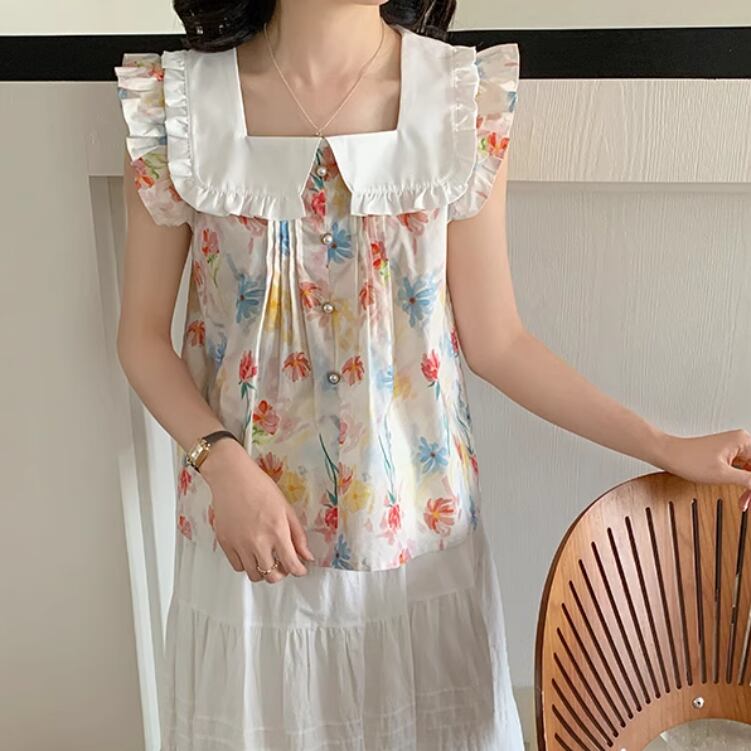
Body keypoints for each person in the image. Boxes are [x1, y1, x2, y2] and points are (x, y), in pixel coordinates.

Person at [114, 1, 751, 749]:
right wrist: (222, 465)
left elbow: (499, 341)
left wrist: (664, 445)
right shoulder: (180, 109)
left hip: (419, 550)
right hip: (251, 554)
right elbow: (142, 339)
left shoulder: (458, 103)